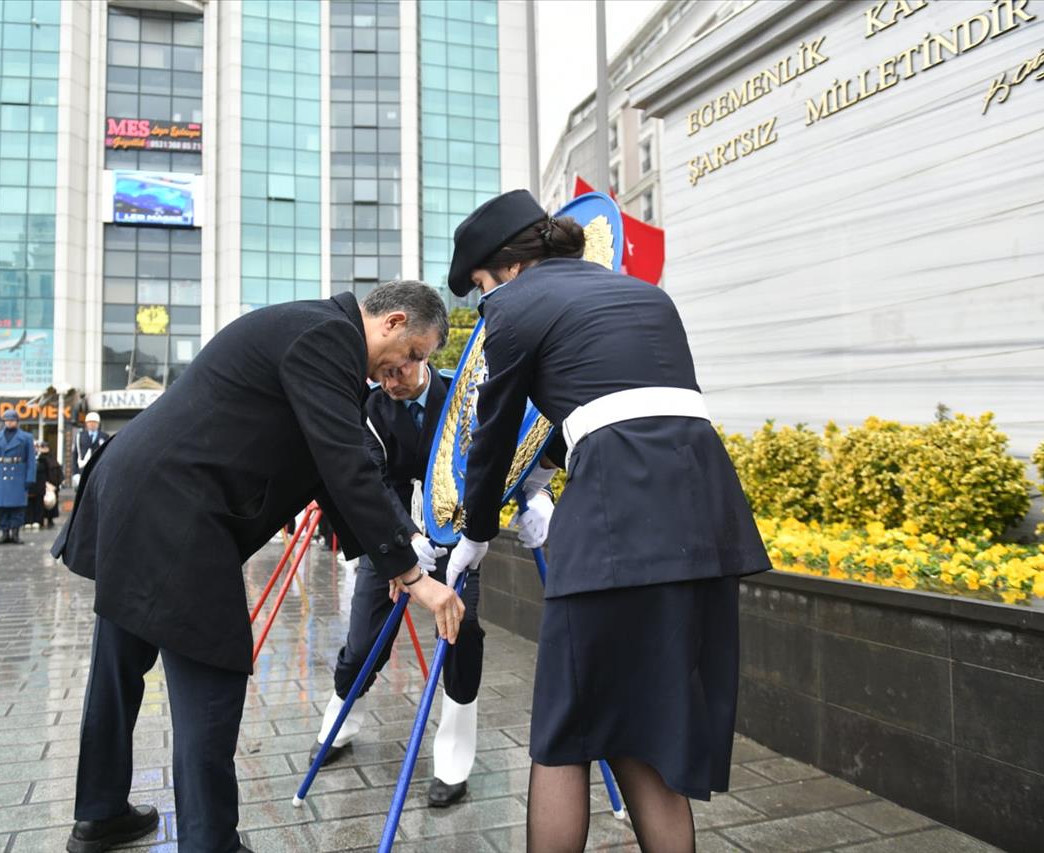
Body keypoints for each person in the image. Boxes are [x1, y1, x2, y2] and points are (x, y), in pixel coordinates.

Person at [53, 281, 465, 853]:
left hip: (139, 493)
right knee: (211, 681)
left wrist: (393, 559)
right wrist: (414, 575)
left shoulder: (313, 331)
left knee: (118, 668)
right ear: (394, 321)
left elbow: (328, 473)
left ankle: (99, 813)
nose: (409, 368)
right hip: (180, 513)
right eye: (416, 352)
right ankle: (210, 842)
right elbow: (346, 463)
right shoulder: (328, 339)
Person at [442, 190, 772, 853]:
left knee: (564, 732)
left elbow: (493, 435)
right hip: (704, 519)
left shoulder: (514, 306)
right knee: (645, 728)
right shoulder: (646, 295)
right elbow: (622, 401)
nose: (483, 303)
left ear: (506, 267)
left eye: (479, 287)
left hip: (615, 524)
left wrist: (474, 535)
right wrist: (551, 465)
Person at [309, 357, 486, 807]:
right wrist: (404, 541)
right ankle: (341, 721)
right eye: (381, 374)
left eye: (399, 371)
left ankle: (454, 756)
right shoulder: (367, 408)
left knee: (460, 634)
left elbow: (490, 459)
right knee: (365, 639)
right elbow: (372, 481)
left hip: (455, 537)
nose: (391, 383)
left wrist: (534, 495)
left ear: (420, 353)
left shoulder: (461, 395)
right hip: (389, 537)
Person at [0, 411, 35, 545]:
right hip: (1, 472)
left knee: (17, 507)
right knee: (3, 506)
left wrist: (30, 477)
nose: (9, 422)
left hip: (18, 473)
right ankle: (4, 533)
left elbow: (30, 460)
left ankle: (15, 533)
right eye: (7, 420)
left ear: (17, 421)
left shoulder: (26, 437)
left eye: (12, 420)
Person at [72, 412, 108, 487]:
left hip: (98, 469)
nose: (92, 424)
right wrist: (75, 473)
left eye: (95, 422)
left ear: (98, 424)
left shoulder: (104, 436)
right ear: (86, 423)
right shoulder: (80, 436)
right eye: (90, 422)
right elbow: (75, 454)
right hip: (83, 469)